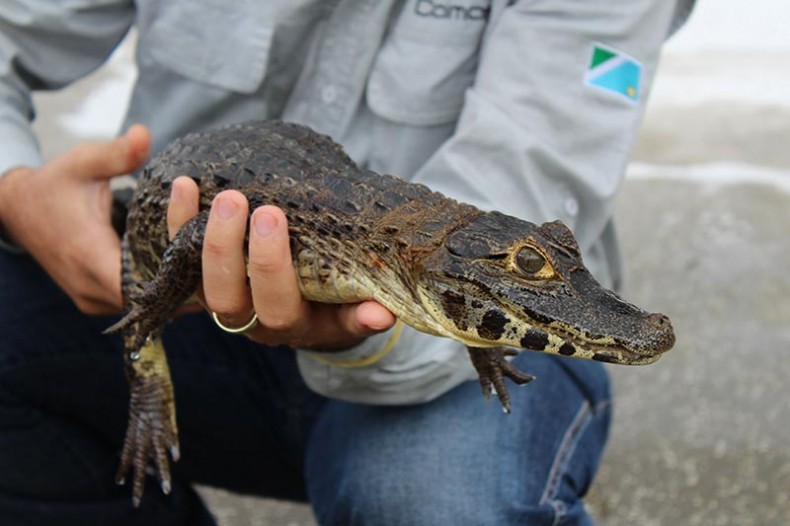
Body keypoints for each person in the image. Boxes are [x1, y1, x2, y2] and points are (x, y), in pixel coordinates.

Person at [0, 1, 694, 524]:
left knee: (433, 503)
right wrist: (15, 191)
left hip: (411, 345)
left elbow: (525, 178)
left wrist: (457, 336)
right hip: (182, 290)